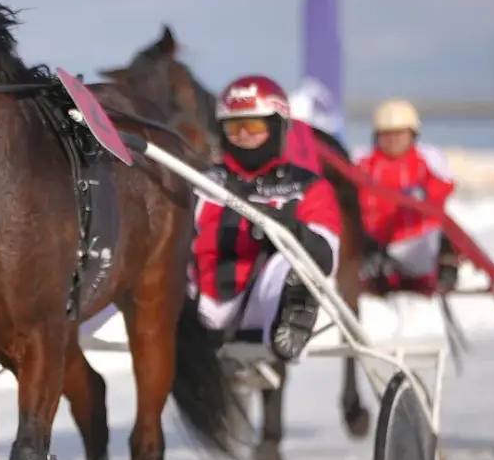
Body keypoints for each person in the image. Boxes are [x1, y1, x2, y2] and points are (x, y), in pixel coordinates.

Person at [190, 75, 341, 361]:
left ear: (277, 126)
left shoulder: (307, 186)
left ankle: (294, 316)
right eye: (234, 127)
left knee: (296, 259)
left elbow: (327, 254)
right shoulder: (200, 182)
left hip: (261, 304)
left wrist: (291, 230)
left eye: (254, 125)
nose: (244, 135)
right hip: (195, 301)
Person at [356, 98, 458, 293]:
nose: (393, 140)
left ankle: (446, 268)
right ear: (377, 136)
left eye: (400, 133)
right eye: (387, 134)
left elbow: (443, 190)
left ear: (412, 134)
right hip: (377, 250)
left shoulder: (427, 163)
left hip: (418, 247)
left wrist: (422, 195)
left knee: (444, 234)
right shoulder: (363, 166)